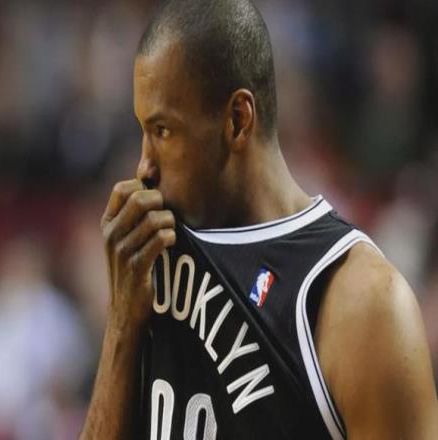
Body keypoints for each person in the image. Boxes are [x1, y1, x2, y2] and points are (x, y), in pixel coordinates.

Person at [80, 0, 438, 438]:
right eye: (143, 130)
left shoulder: (362, 301)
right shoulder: (151, 263)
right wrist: (120, 321)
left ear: (238, 119)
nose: (144, 166)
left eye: (164, 131)